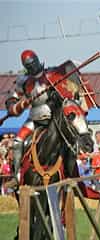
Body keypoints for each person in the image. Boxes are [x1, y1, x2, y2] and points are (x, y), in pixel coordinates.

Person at [4, 50, 58, 188]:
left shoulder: (51, 74)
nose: (32, 67)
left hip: (54, 117)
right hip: (34, 118)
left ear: (37, 60)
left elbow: (62, 91)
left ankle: (71, 171)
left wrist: (54, 96)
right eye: (29, 65)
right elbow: (13, 96)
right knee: (17, 142)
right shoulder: (23, 80)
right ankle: (16, 176)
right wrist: (12, 105)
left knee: (68, 136)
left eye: (33, 63)